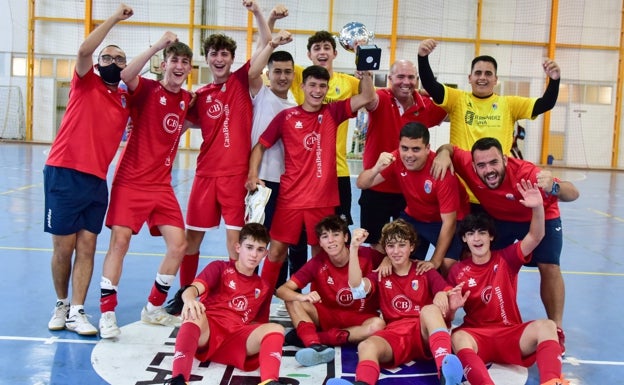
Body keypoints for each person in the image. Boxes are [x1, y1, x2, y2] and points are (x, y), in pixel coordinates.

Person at [432, 137, 579, 354]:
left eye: (494, 163)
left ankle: (556, 328)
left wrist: (554, 186)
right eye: (481, 165)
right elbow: (450, 148)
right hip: (500, 217)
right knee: (471, 256)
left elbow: (573, 193)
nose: (488, 170)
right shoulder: (468, 163)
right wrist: (443, 153)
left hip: (539, 215)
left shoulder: (526, 174)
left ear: (505, 159)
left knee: (549, 266)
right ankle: (478, 317)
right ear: (473, 166)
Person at [178, 0, 286, 287]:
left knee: (236, 240)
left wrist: (260, 14)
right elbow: (178, 126)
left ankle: (238, 291)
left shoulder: (242, 81)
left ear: (231, 58)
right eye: (214, 54)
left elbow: (264, 45)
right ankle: (186, 292)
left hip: (235, 176)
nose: (219, 59)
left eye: (224, 54)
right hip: (204, 175)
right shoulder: (199, 96)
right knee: (192, 239)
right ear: (207, 58)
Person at [43, 3, 133, 336]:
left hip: (96, 181)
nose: (113, 63)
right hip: (64, 172)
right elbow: (84, 49)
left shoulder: (125, 100)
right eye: (107, 58)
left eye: (119, 59)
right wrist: (114, 19)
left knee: (88, 246)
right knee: (63, 247)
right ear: (97, 64)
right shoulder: (85, 81)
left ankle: (79, 310)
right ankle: (62, 302)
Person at [246, 65, 376, 293]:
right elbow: (260, 147)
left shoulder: (333, 112)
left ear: (327, 89)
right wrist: (252, 175)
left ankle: (318, 307)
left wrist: (365, 71)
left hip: (323, 200)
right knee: (276, 252)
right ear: (303, 86)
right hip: (291, 200)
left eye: (322, 86)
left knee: (322, 254)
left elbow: (366, 96)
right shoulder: (286, 117)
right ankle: (261, 303)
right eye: (313, 85)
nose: (317, 90)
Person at [97, 32, 194, 339]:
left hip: (162, 185)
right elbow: (126, 74)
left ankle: (153, 307)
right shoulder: (147, 88)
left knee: (179, 245)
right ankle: (107, 313)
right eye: (173, 60)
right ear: (163, 64)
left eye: (184, 62)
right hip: (131, 181)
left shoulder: (187, 99)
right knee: (120, 244)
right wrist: (157, 45)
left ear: (190, 68)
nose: (178, 66)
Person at [446, 180, 571, 385]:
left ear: (491, 237)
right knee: (458, 339)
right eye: (470, 233)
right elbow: (448, 317)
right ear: (465, 240)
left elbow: (536, 235)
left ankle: (551, 381)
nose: (476, 238)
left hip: (511, 333)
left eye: (482, 232)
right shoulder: (458, 271)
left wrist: (538, 207)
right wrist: (452, 309)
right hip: (478, 336)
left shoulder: (506, 258)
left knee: (548, 326)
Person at [269, 7, 361, 284]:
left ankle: (333, 289)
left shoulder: (349, 82)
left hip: (338, 174)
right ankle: (294, 289)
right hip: (302, 177)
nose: (322, 52)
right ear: (309, 55)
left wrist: (364, 58)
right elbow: (276, 63)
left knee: (332, 241)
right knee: (294, 240)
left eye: (327, 48)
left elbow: (372, 98)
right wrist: (273, 28)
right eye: (316, 48)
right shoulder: (301, 75)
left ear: (335, 53)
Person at [326, 221, 464, 385]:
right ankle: (362, 383)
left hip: (423, 332)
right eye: (391, 246)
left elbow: (447, 293)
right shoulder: (380, 274)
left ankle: (446, 375)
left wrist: (443, 294)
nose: (396, 251)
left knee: (430, 310)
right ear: (385, 249)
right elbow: (356, 288)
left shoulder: (424, 270)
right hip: (395, 333)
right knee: (366, 346)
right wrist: (354, 248)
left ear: (412, 247)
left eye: (401, 245)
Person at [165, 223, 289, 385]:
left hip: (237, 340)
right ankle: (179, 379)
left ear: (265, 253)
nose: (254, 254)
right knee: (193, 314)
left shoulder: (263, 286)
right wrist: (188, 300)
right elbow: (192, 290)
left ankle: (269, 381)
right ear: (238, 247)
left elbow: (260, 324)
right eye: (249, 247)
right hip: (209, 334)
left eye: (259, 250)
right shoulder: (219, 268)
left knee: (276, 329)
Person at [357, 122, 469, 276]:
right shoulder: (396, 158)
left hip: (446, 221)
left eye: (416, 149)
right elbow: (362, 184)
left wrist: (435, 261)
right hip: (415, 218)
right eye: (405, 148)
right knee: (397, 258)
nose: (409, 155)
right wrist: (376, 168)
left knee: (446, 265)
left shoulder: (441, 171)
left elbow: (449, 222)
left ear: (428, 148)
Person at [417, 38, 561, 157]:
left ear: (495, 79)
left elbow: (546, 103)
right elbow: (430, 84)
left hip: (497, 180)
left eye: (488, 73)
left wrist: (554, 80)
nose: (482, 77)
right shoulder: (457, 99)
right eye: (478, 73)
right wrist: (423, 57)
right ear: (470, 78)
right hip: (463, 180)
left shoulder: (509, 104)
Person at [360, 59, 447, 253]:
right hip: (377, 186)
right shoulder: (381, 98)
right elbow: (368, 97)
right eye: (400, 77)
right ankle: (381, 283)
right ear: (390, 79)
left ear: (417, 79)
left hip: (410, 191)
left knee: (409, 247)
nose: (405, 82)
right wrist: (365, 73)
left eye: (410, 77)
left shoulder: (426, 106)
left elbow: (450, 103)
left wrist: (447, 151)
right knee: (377, 246)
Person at [275, 215, 385, 367]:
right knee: (293, 300)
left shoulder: (367, 255)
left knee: (378, 326)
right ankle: (314, 345)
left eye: (336, 234)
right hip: (327, 316)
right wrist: (303, 296)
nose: (331, 240)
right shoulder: (317, 262)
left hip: (360, 317)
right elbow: (282, 290)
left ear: (346, 237)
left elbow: (394, 257)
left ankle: (315, 338)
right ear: (320, 242)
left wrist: (387, 261)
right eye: (325, 237)